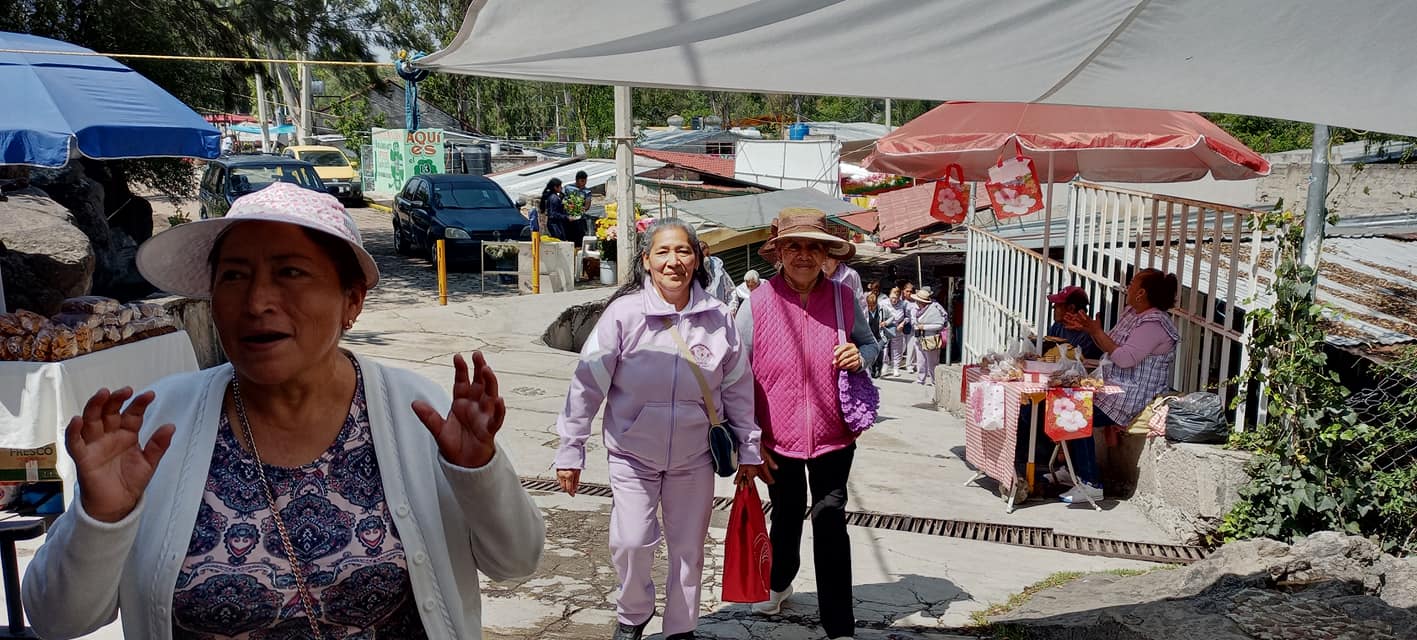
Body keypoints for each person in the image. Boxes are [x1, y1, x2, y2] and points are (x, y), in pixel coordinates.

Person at [22, 183, 545, 639]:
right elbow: (56, 619)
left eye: (290, 272)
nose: (256, 302)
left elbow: (517, 562)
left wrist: (476, 470)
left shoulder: (417, 414)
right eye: (233, 276)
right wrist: (102, 517)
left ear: (351, 301)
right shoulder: (156, 427)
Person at [555, 219, 765, 640]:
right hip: (632, 454)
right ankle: (633, 615)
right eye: (663, 252)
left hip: (695, 458)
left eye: (683, 252)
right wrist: (570, 449)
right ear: (646, 261)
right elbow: (587, 384)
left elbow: (739, 387)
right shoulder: (623, 314)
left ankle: (681, 628)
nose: (674, 262)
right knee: (631, 543)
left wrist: (749, 449)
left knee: (689, 551)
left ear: (698, 258)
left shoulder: (720, 318)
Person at [735, 208, 879, 640]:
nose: (802, 255)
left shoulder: (843, 298)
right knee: (786, 515)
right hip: (775, 439)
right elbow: (735, 375)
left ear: (825, 254)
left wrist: (861, 356)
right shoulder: (755, 305)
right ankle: (780, 583)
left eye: (812, 246)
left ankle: (840, 626)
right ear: (778, 252)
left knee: (830, 518)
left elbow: (871, 345)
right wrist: (749, 441)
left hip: (835, 436)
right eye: (793, 246)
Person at [1056, 268, 1180, 503]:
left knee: (1077, 412)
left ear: (1141, 293)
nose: (1128, 287)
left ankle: (1090, 482)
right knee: (1063, 401)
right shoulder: (1133, 314)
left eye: (1132, 283)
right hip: (1112, 385)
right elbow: (1109, 343)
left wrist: (1095, 331)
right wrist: (1088, 329)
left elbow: (1123, 358)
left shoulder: (1154, 325)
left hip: (1131, 394)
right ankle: (1072, 471)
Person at [1044, 286, 1104, 360]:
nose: (1053, 307)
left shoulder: (1087, 336)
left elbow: (1082, 364)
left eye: (1058, 305)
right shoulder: (1058, 325)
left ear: (1071, 308)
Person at [909, 287, 948, 386]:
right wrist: (916, 325)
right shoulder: (915, 309)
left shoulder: (934, 309)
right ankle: (920, 380)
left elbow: (940, 324)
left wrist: (924, 327)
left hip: (930, 339)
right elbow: (913, 320)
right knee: (920, 361)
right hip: (919, 338)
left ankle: (935, 382)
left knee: (932, 363)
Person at [865, 292, 898, 378]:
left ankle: (878, 368)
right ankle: (872, 370)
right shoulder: (865, 310)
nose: (871, 308)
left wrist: (885, 322)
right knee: (872, 353)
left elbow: (892, 317)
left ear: (876, 303)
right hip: (870, 336)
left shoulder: (883, 309)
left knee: (879, 352)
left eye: (873, 305)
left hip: (880, 335)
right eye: (869, 305)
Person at [565, 170, 593, 244]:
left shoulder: (587, 191)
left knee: (579, 239)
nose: (584, 183)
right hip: (568, 219)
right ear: (577, 180)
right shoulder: (568, 188)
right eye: (582, 181)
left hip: (579, 220)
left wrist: (581, 209)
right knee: (568, 239)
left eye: (585, 181)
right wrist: (568, 206)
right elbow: (562, 200)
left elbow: (587, 205)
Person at [884, 287, 908, 376]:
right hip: (886, 328)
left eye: (896, 298)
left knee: (897, 349)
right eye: (892, 298)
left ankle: (896, 368)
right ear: (889, 296)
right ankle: (885, 365)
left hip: (898, 328)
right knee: (884, 348)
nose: (894, 300)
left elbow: (908, 317)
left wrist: (903, 323)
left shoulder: (904, 304)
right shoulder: (883, 303)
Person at [539, 177, 569, 241]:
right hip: (555, 224)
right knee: (560, 240)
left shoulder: (553, 196)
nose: (561, 187)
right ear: (555, 187)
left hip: (554, 224)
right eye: (560, 186)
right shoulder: (554, 198)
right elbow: (553, 214)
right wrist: (566, 217)